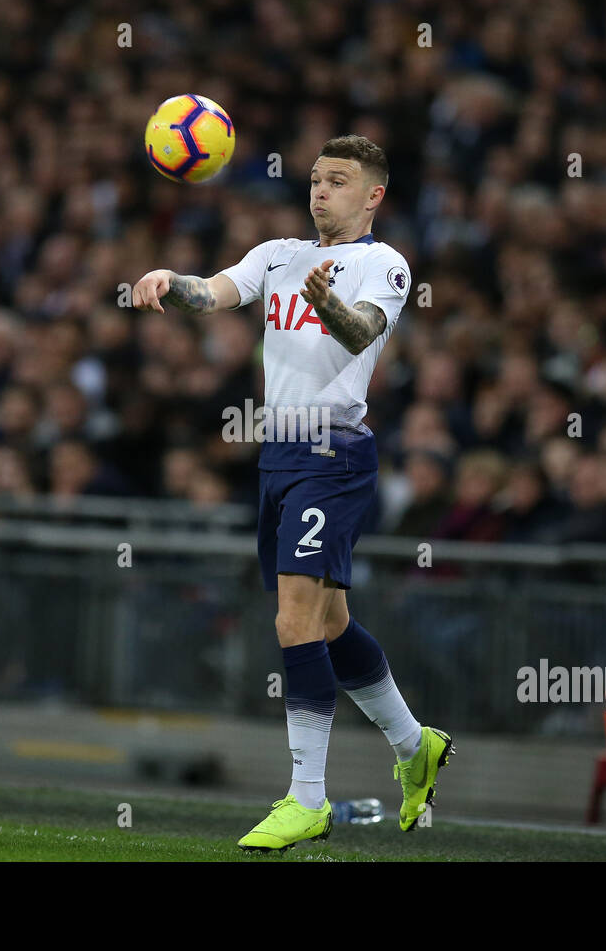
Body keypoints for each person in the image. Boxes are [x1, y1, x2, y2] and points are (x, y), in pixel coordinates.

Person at [132, 135, 453, 853]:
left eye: (338, 181)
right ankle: (414, 744)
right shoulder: (277, 254)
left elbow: (362, 330)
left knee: (294, 620)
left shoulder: (384, 264)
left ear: (372, 196)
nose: (320, 191)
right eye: (315, 179)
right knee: (332, 622)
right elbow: (212, 292)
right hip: (278, 453)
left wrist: (331, 305)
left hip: (332, 452)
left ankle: (307, 797)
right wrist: (167, 279)